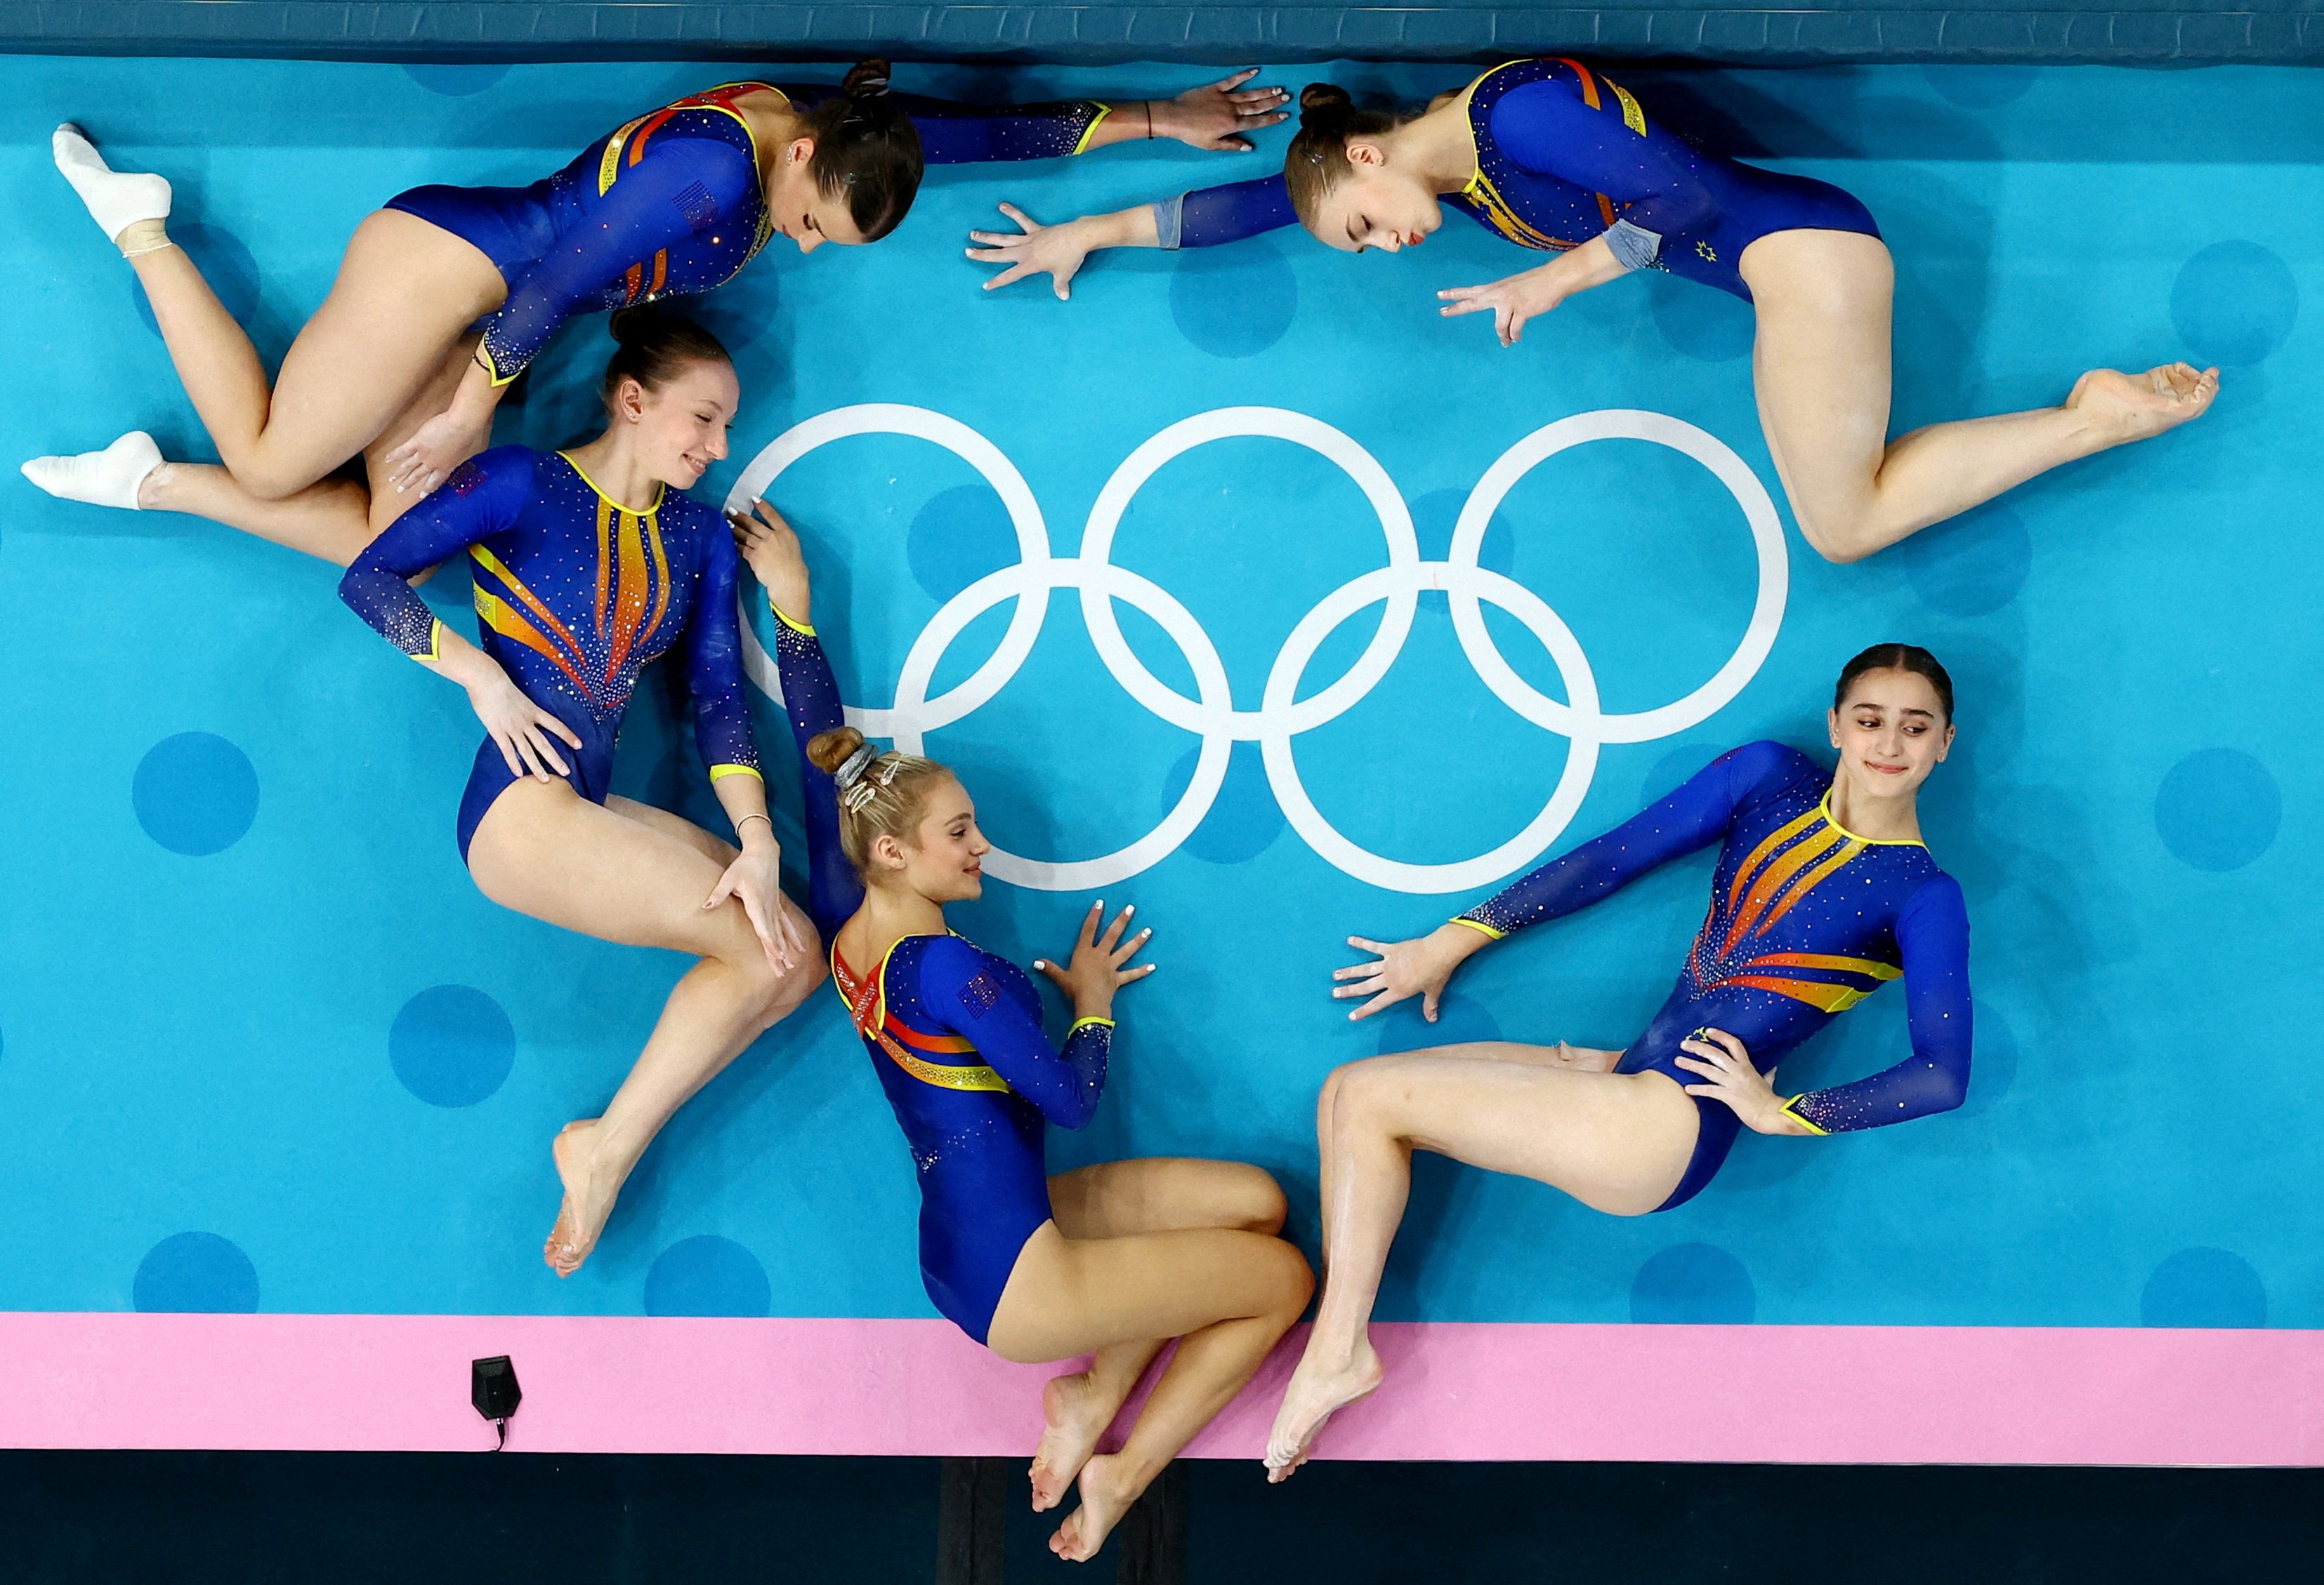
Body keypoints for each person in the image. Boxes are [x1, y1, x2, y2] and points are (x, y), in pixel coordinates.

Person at [23, 65, 1287, 563]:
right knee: (264, 456)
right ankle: (138, 229)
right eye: (810, 229)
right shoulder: (710, 168)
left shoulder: (842, 137)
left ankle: (151, 479)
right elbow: (565, 278)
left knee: (392, 542)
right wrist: (470, 410)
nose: (806, 249)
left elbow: (984, 132)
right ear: (796, 169)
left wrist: (1157, 120)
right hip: (454, 269)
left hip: (489, 315)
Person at [968, 59, 2217, 563]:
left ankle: (2092, 419)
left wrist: (1551, 279)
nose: (1380, 250)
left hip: (1800, 255)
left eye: (1361, 229)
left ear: (1361, 160)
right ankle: (2086, 419)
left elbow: (1686, 192)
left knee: (1843, 524)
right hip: (1785, 275)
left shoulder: (1506, 114)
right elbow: (1253, 209)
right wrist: (1093, 230)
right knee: (1849, 512)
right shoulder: (1448, 177)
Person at [732, 499, 1313, 1562]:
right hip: (1019, 1280)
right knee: (1283, 1283)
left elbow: (825, 762)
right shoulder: (943, 964)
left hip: (984, 1234)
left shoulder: (848, 906)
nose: (981, 848)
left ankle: (1091, 1395)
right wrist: (1090, 998)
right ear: (898, 854)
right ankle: (1122, 1471)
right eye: (960, 832)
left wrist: (794, 608)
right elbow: (1071, 1098)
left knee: (1256, 1205)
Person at [1262, 643, 1974, 1479]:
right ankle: (1338, 1349)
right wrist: (1449, 944)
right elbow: (1613, 858)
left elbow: (1943, 1073)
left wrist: (1782, 1113)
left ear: (1943, 744)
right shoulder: (1770, 780)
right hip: (1632, 1082)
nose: (1890, 743)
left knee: (1374, 1102)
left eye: (1915, 727)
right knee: (1350, 1094)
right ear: (1837, 725)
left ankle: (1338, 1351)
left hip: (1665, 1131)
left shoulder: (1924, 895)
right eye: (1871, 719)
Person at [336, 310, 817, 1277]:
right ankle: (605, 1148)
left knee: (797, 960)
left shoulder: (695, 538)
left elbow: (719, 702)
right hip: (518, 810)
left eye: (728, 428)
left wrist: (757, 839)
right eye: (704, 419)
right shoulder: (523, 481)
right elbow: (370, 577)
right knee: (755, 949)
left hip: (583, 807)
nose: (719, 448)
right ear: (633, 400)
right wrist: (480, 678)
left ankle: (604, 1141)